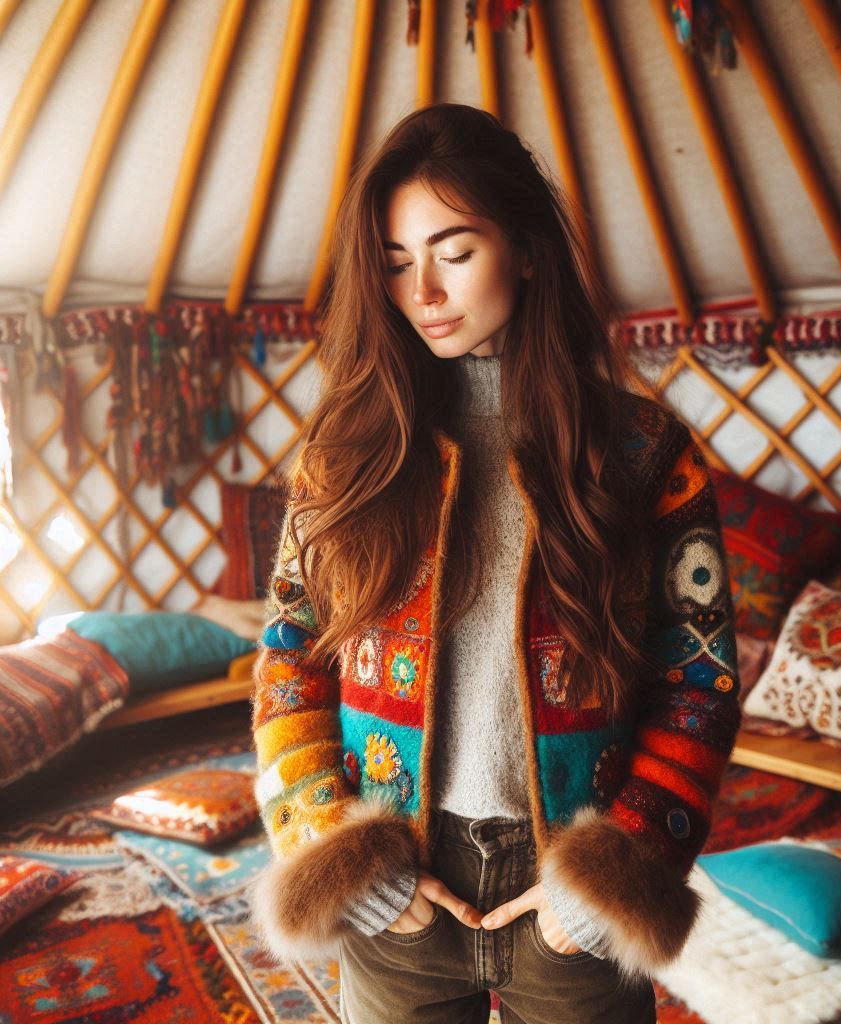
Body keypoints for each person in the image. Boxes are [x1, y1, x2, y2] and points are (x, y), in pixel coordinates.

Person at [249, 102, 740, 1024]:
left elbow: (698, 683)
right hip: (397, 883)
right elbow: (287, 663)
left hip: (575, 879)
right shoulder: (345, 456)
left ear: (525, 247)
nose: (423, 290)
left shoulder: (642, 454)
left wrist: (617, 874)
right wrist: (332, 849)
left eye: (454, 250)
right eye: (395, 263)